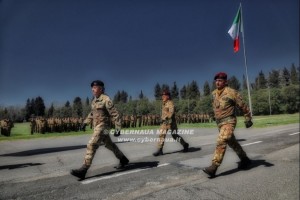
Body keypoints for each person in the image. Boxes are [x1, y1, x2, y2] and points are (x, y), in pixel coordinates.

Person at [70, 80, 129, 180]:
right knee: (109, 145)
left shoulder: (106, 99)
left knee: (92, 144)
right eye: (92, 87)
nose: (92, 89)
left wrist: (118, 127)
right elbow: (92, 114)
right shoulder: (94, 101)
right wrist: (85, 123)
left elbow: (115, 114)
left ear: (101, 88)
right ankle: (123, 159)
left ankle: (84, 169)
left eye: (95, 87)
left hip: (103, 126)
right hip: (97, 126)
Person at [202, 72, 253, 178]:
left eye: (220, 80)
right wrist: (212, 115)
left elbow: (242, 106)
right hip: (219, 123)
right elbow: (214, 106)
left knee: (221, 140)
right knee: (232, 143)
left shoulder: (232, 92)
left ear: (225, 82)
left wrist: (248, 118)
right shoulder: (213, 93)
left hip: (229, 121)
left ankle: (214, 167)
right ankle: (245, 159)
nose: (217, 82)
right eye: (216, 80)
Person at [153, 89, 189, 156]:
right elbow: (164, 113)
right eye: (162, 95)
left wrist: (166, 117)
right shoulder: (164, 104)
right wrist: (162, 118)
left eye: (164, 95)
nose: (162, 96)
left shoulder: (170, 103)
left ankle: (185, 144)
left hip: (171, 122)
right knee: (161, 135)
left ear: (168, 96)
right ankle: (160, 150)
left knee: (174, 135)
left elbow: (171, 112)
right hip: (164, 122)